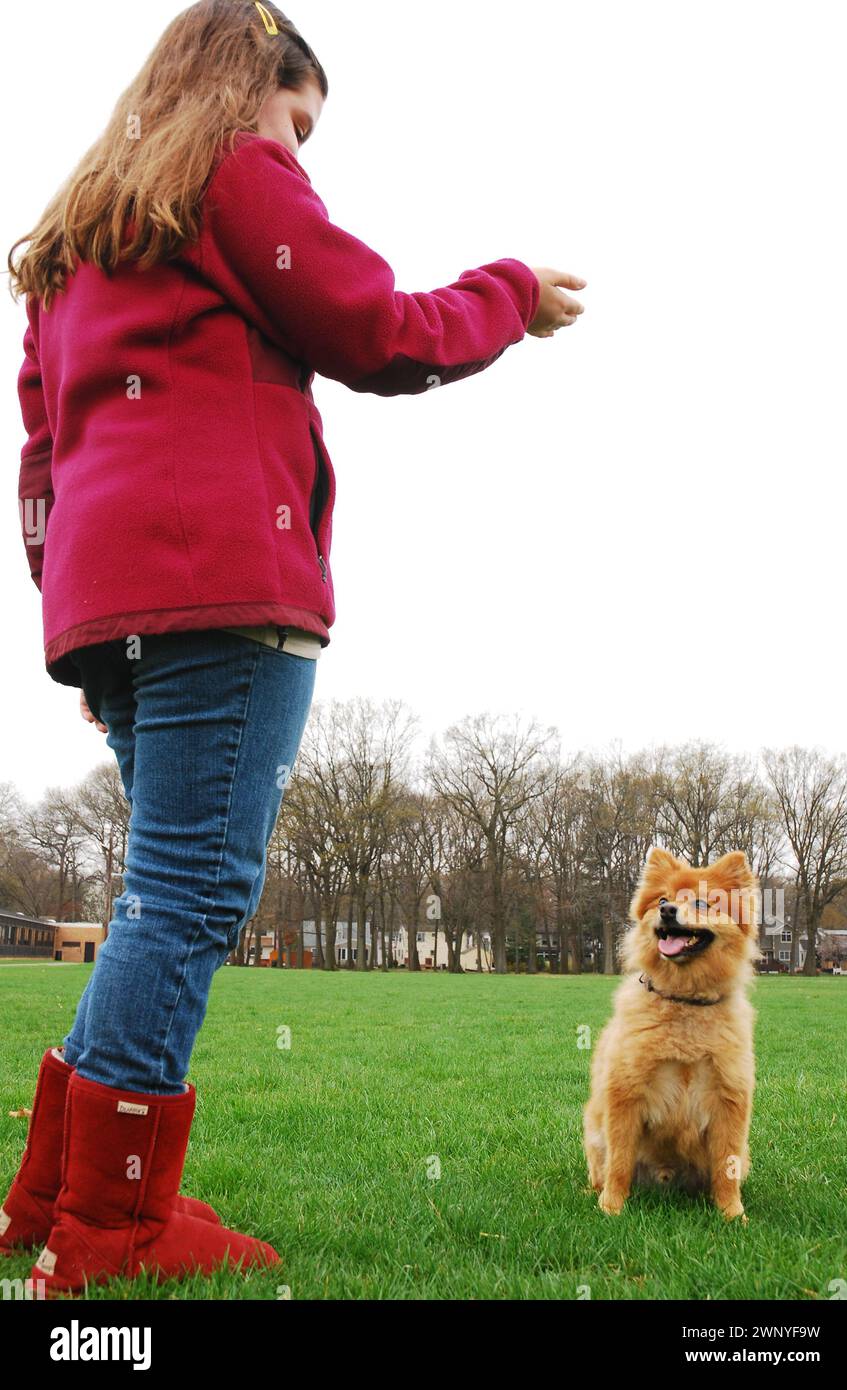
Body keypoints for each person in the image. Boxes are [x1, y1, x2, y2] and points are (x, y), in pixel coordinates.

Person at [4, 0, 584, 1296]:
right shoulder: (229, 174)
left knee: (153, 898)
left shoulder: (70, 248)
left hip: (117, 599)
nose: (298, 153)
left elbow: (43, 460)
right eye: (296, 118)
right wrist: (507, 293)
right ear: (240, 85)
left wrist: (88, 635)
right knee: (197, 893)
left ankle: (54, 1196)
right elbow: (373, 328)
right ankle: (111, 1228)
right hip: (226, 578)